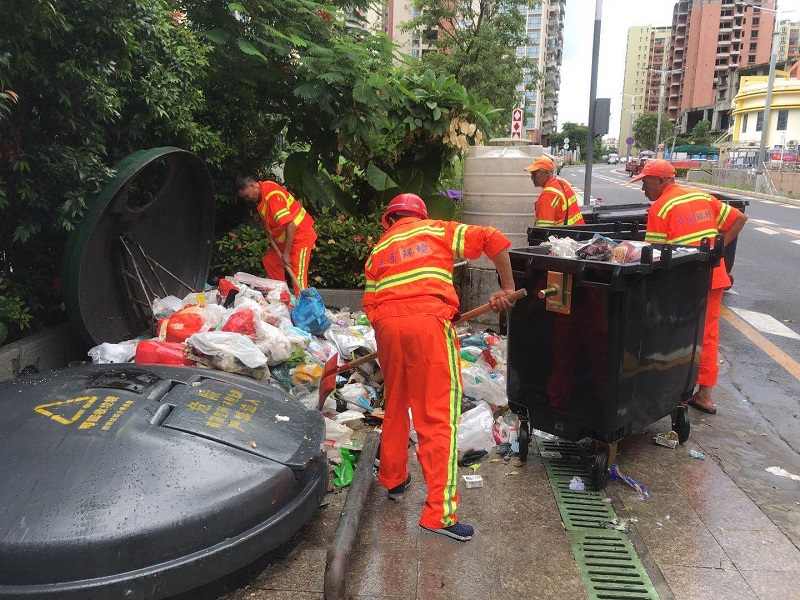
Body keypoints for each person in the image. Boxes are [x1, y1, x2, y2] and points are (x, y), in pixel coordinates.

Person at [363, 193, 516, 542]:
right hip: (428, 326)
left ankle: (394, 479)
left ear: (389, 220)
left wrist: (396, 325)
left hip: (387, 330)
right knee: (437, 417)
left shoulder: (377, 251)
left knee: (397, 406)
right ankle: (438, 514)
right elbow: (494, 240)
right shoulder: (436, 230)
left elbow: (370, 305)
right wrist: (506, 287)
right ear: (420, 214)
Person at [633, 159, 747, 414]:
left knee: (671, 332)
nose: (643, 189)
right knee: (706, 334)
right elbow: (739, 218)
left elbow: (654, 256)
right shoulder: (702, 196)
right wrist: (717, 251)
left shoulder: (661, 209)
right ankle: (704, 395)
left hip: (681, 282)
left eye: (646, 183)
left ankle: (670, 388)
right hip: (711, 275)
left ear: (663, 181)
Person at [236, 177, 317, 295]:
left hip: (300, 235)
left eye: (247, 196)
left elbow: (291, 225)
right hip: (285, 238)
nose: (248, 200)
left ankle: (305, 305)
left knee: (297, 274)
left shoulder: (273, 197)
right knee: (271, 261)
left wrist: (286, 253)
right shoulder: (262, 192)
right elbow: (269, 216)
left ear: (253, 186)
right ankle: (281, 296)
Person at [525, 156, 585, 227]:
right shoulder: (562, 183)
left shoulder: (548, 195)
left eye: (534, 174)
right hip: (578, 231)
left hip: (563, 236)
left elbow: (543, 230)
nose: (532, 177)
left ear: (547, 173)